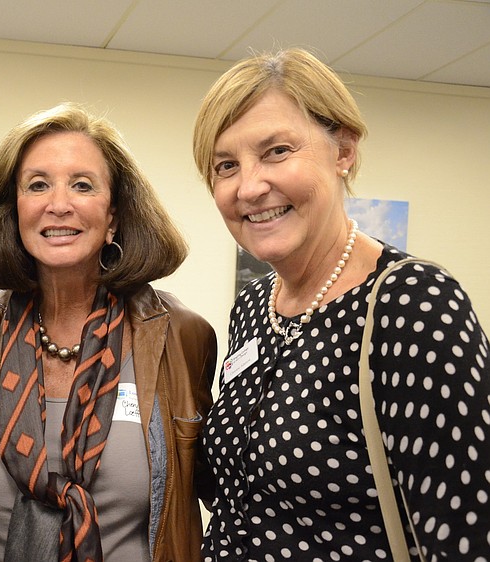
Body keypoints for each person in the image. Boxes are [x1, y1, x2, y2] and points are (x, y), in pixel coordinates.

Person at [192, 47, 490, 561]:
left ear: (344, 150)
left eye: (277, 151)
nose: (250, 187)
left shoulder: (411, 305)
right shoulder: (254, 307)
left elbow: (466, 535)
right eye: (226, 166)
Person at [0, 103, 217, 562]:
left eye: (82, 185)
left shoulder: (181, 336)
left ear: (113, 216)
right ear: (14, 210)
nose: (59, 204)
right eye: (37, 185)